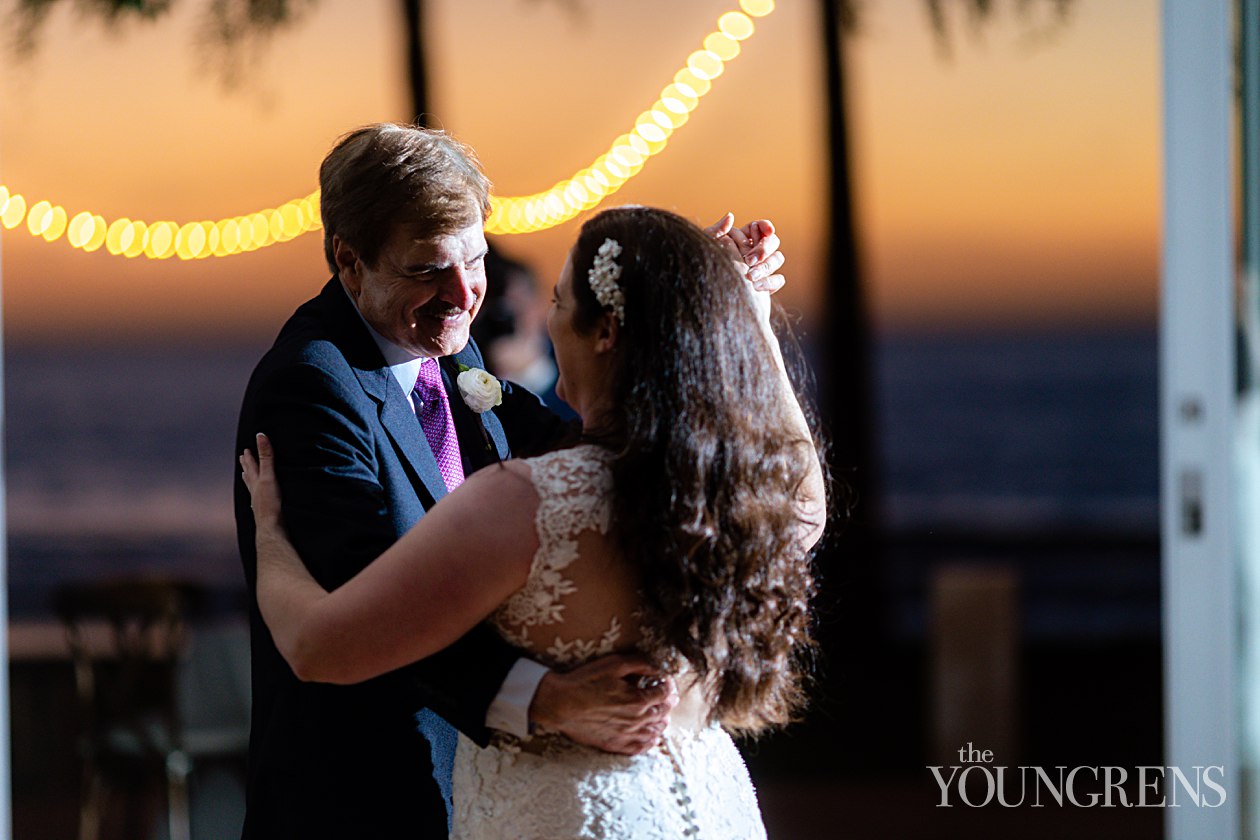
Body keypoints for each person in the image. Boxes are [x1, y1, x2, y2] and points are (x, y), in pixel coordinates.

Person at [233, 123, 788, 838]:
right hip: (370, 795)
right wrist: (542, 698)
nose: (463, 294)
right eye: (427, 269)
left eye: (475, 259)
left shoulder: (452, 359)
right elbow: (365, 609)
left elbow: (597, 458)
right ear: (349, 260)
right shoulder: (311, 386)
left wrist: (694, 305)